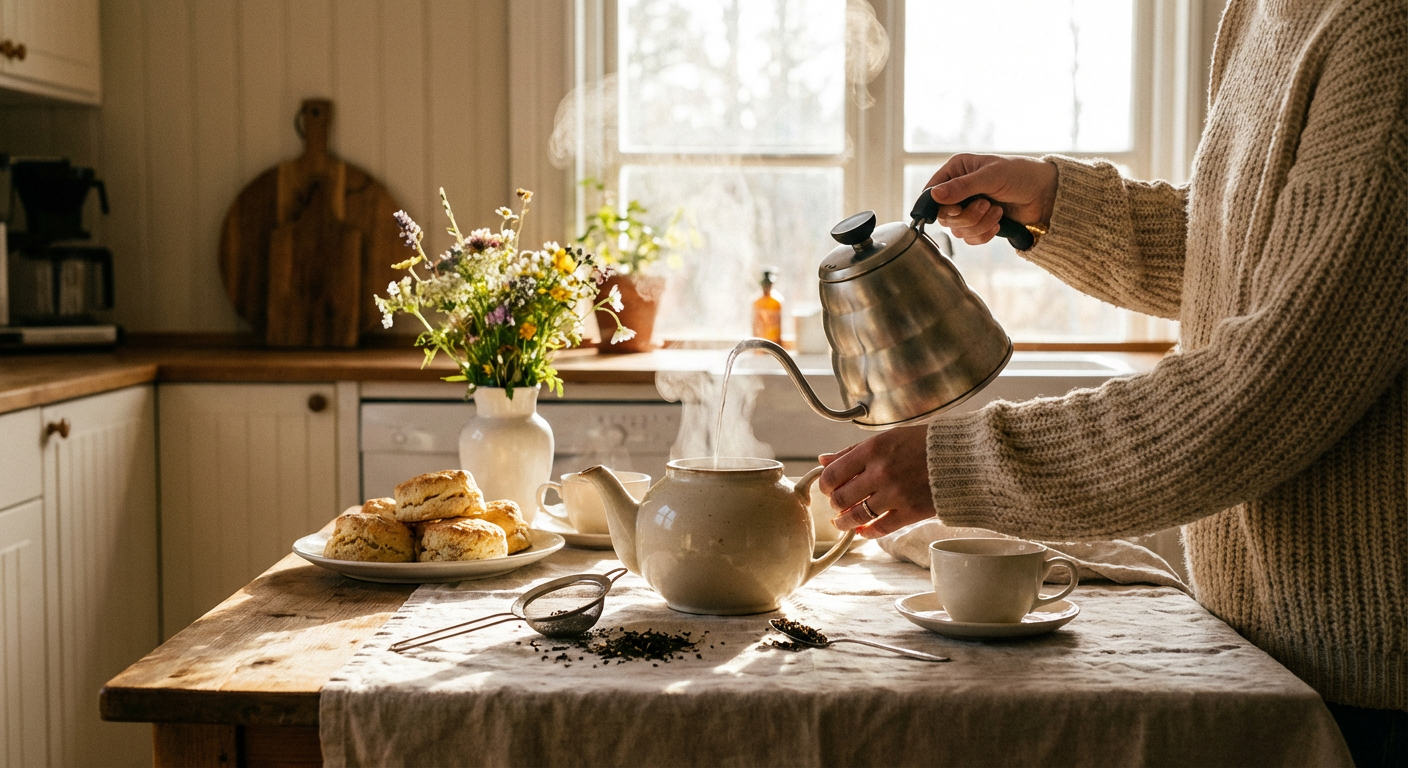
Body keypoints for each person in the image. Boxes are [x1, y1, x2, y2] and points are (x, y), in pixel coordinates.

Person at [816, 1, 1406, 764]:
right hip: (1257, 641)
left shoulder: (1384, 35)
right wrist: (1056, 204)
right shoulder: (1259, 12)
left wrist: (952, 465)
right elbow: (1245, 250)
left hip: (1374, 683)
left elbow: (1267, 392)